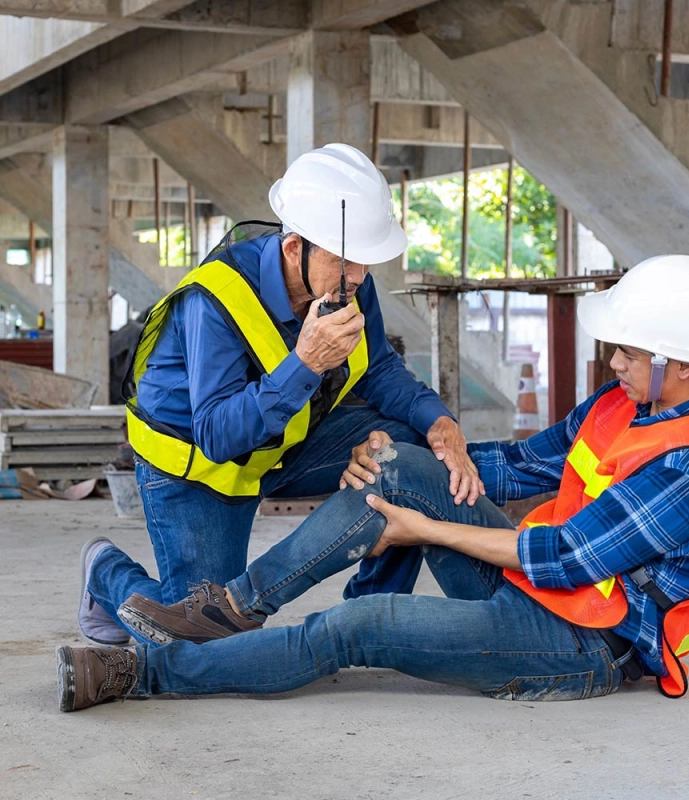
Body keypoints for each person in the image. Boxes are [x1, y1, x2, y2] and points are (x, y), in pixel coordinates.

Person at [58, 254, 689, 712]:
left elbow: (566, 556)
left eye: (630, 353)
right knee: (397, 466)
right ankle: (233, 607)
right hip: (541, 586)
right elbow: (520, 468)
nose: (614, 363)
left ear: (682, 364)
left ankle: (147, 672)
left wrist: (419, 528)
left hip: (582, 643)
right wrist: (423, 448)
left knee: (359, 628)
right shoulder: (623, 404)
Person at [78, 142, 481, 648]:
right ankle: (105, 571)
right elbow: (219, 435)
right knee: (201, 639)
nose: (358, 276)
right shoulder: (215, 300)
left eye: (366, 262)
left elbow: (377, 369)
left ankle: (368, 613)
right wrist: (306, 363)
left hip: (284, 443)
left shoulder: (347, 282)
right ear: (295, 247)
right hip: (200, 465)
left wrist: (438, 421)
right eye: (346, 261)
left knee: (412, 455)